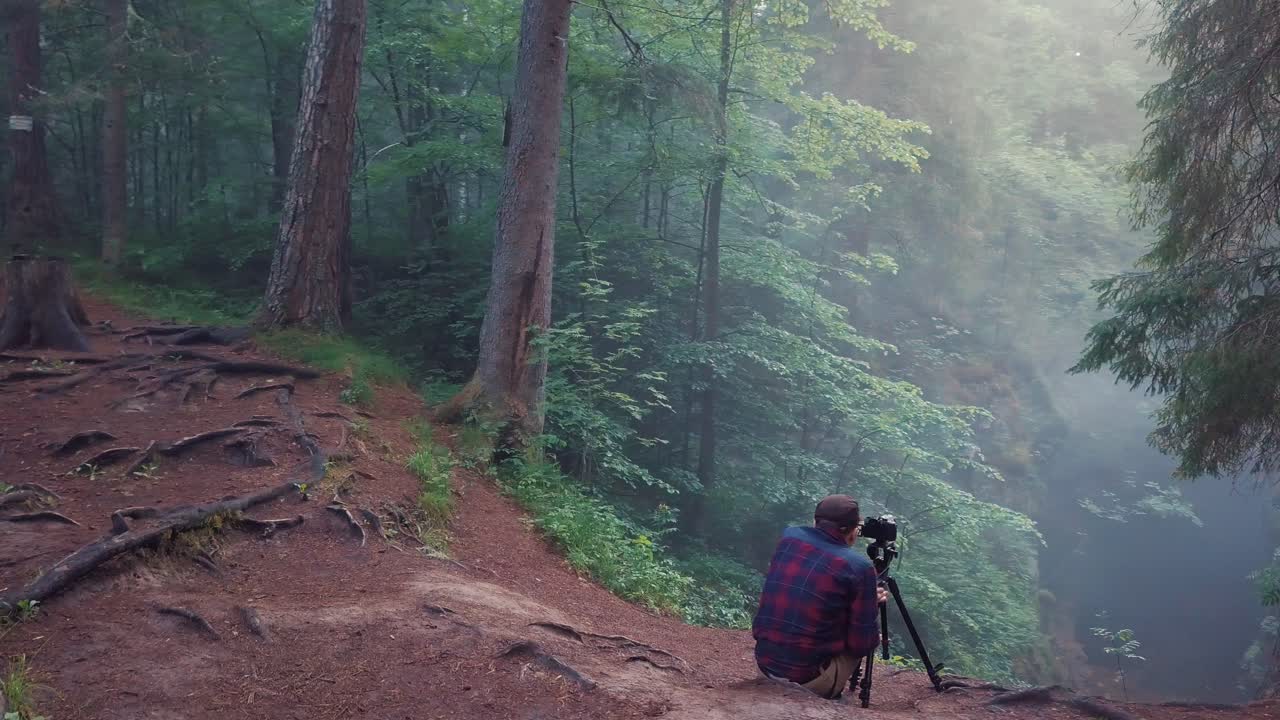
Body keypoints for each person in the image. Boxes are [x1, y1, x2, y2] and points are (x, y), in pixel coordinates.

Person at [751, 494, 888, 699]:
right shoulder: (859, 567)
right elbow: (861, 644)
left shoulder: (789, 536)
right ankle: (831, 694)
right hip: (807, 679)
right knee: (867, 636)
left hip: (765, 665)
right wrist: (868, 602)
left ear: (815, 521)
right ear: (852, 531)